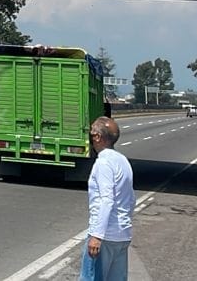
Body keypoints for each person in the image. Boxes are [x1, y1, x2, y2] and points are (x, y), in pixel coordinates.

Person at [83, 116, 134, 281]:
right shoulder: (123, 161)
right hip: (122, 236)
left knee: (91, 277)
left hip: (105, 237)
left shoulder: (103, 163)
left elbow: (107, 199)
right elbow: (131, 198)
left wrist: (97, 236)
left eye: (91, 133)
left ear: (97, 137)